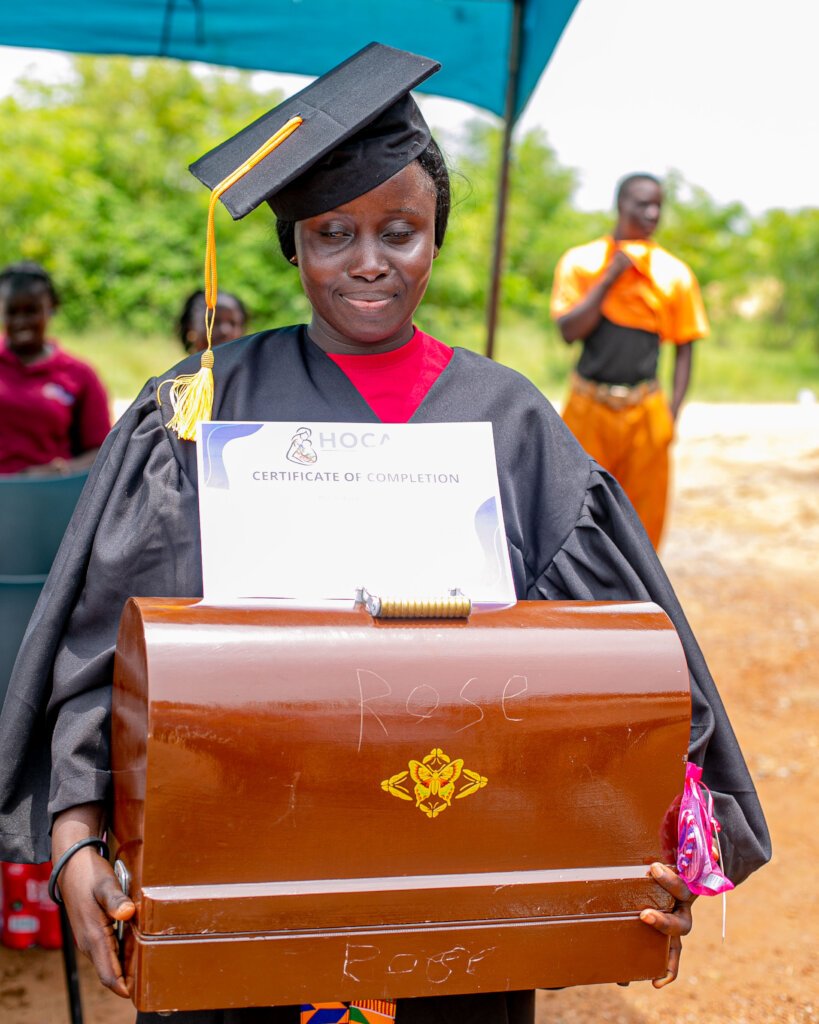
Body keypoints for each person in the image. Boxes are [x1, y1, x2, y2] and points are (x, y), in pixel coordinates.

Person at [0, 45, 769, 1024]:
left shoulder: (511, 421)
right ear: (293, 245)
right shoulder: (200, 409)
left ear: (437, 233)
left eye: (399, 231)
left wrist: (666, 840)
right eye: (333, 234)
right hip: (242, 870)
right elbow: (104, 650)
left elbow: (627, 669)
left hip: (465, 879)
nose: (368, 261)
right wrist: (75, 833)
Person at [550, 174, 709, 548]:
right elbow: (569, 331)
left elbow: (685, 346)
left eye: (658, 205)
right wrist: (610, 278)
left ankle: (640, 602)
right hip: (588, 406)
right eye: (642, 204)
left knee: (644, 522)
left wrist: (672, 415)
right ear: (620, 204)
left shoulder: (674, 273)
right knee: (575, 512)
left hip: (645, 410)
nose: (652, 213)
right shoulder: (583, 262)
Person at [0, 261, 111, 475]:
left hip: (52, 495)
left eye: (32, 311)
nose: (21, 321)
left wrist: (60, 470)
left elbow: (102, 452)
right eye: (12, 312)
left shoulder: (78, 375)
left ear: (52, 307)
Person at [177, 288, 248, 354]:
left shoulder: (253, 367)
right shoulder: (182, 367)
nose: (224, 330)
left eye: (233, 323)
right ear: (190, 326)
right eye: (213, 322)